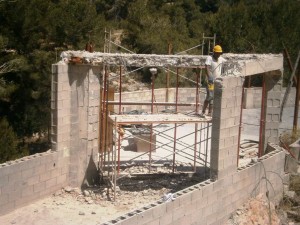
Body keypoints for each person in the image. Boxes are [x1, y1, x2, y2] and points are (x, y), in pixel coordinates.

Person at [200, 45, 226, 118]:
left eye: (219, 53)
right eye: (217, 53)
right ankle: (203, 111)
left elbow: (227, 63)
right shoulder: (209, 58)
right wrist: (209, 77)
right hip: (210, 81)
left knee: (213, 97)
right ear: (214, 52)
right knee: (210, 96)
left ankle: (210, 112)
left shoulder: (220, 59)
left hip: (217, 81)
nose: (218, 54)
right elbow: (206, 67)